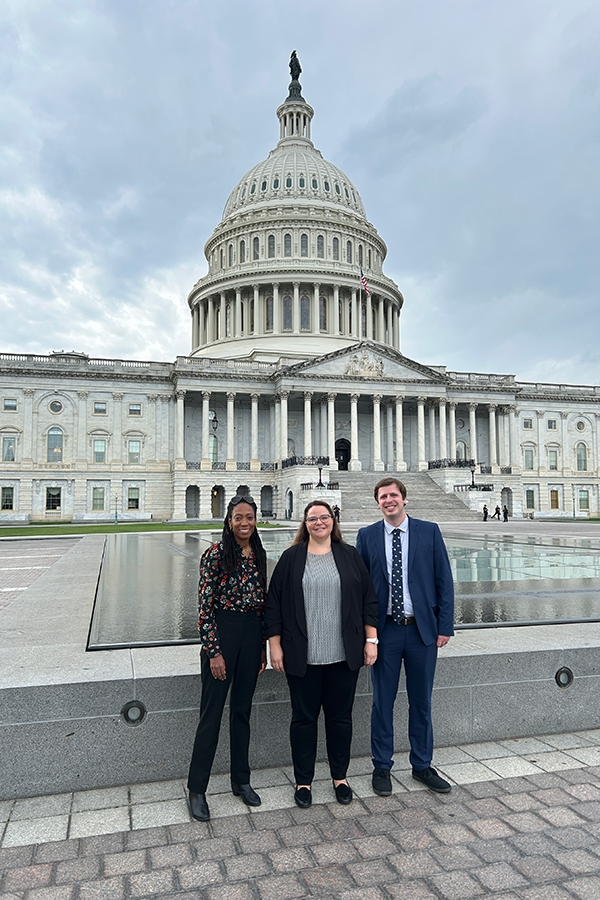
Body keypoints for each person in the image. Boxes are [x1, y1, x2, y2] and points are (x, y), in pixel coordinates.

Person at [264, 500, 379, 808]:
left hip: (344, 656)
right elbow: (273, 605)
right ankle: (303, 781)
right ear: (305, 523)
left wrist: (372, 641)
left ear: (332, 521)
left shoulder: (349, 555)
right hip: (303, 656)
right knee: (303, 720)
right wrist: (274, 646)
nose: (319, 522)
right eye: (312, 518)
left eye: (324, 517)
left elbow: (369, 600)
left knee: (340, 720)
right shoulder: (291, 558)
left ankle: (339, 777)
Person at [356, 478, 454, 796]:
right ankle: (382, 766)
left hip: (421, 631)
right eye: (383, 496)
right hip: (385, 631)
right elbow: (360, 588)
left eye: (393, 495)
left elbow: (444, 581)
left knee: (421, 703)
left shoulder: (429, 531)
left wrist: (444, 626)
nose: (389, 500)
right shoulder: (367, 536)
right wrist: (365, 634)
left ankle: (422, 765)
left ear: (404, 499)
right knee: (382, 703)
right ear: (378, 502)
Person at [187, 495, 267, 821]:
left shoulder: (258, 553)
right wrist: (214, 651)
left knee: (242, 712)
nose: (244, 523)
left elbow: (261, 605)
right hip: (224, 628)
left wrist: (261, 647)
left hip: (250, 632)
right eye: (238, 518)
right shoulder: (216, 554)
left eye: (249, 517)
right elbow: (204, 606)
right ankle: (196, 789)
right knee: (211, 715)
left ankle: (241, 780)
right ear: (229, 520)